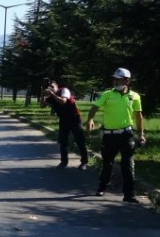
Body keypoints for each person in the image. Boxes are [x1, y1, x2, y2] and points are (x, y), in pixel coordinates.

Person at [86, 68, 147, 203]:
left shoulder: (135, 96)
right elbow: (94, 107)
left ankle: (129, 195)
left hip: (127, 135)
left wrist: (141, 134)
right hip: (109, 135)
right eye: (114, 79)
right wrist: (90, 119)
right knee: (107, 163)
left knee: (128, 164)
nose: (115, 81)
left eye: (118, 79)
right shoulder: (107, 94)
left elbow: (138, 116)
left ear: (126, 80)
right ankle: (102, 187)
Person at [40, 79, 88, 170]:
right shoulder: (51, 97)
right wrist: (42, 94)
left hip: (75, 119)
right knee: (63, 142)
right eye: (48, 88)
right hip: (63, 120)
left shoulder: (64, 90)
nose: (51, 89)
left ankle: (84, 162)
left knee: (79, 140)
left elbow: (63, 101)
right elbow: (42, 105)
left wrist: (52, 94)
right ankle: (63, 162)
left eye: (52, 87)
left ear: (57, 86)